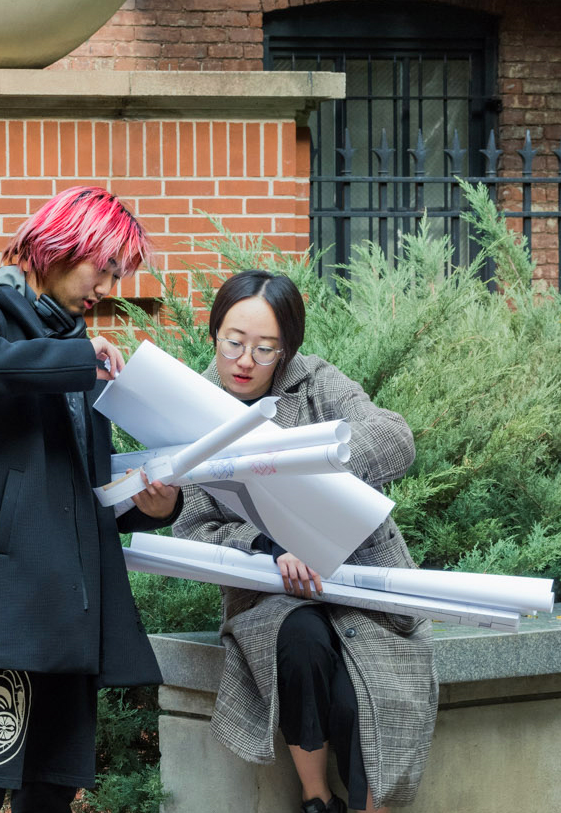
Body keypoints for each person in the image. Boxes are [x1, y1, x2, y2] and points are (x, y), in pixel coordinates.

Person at [0, 186, 179, 813]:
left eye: (118, 276)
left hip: (70, 609)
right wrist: (75, 355)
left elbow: (74, 486)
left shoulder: (73, 344)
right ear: (68, 243)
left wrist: (147, 503)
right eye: (105, 267)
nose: (107, 287)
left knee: (54, 791)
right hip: (1, 604)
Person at [173, 270, 436, 813]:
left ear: (287, 350)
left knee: (362, 695)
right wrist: (270, 546)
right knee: (299, 642)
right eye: (234, 342)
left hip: (362, 581)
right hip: (270, 592)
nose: (245, 361)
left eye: (265, 349)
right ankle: (316, 799)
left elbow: (394, 437)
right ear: (214, 334)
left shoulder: (315, 381)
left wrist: (312, 463)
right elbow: (193, 526)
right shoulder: (192, 410)